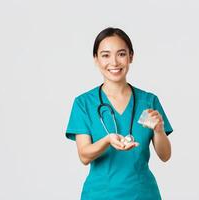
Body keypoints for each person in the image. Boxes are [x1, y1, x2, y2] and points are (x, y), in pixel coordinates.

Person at [65, 27, 173, 200]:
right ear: (96, 59)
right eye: (105, 55)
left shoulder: (149, 101)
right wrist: (108, 140)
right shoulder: (84, 103)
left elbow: (165, 155)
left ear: (131, 56)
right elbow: (84, 156)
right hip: (100, 194)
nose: (114, 62)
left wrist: (159, 130)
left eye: (121, 54)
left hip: (143, 194)